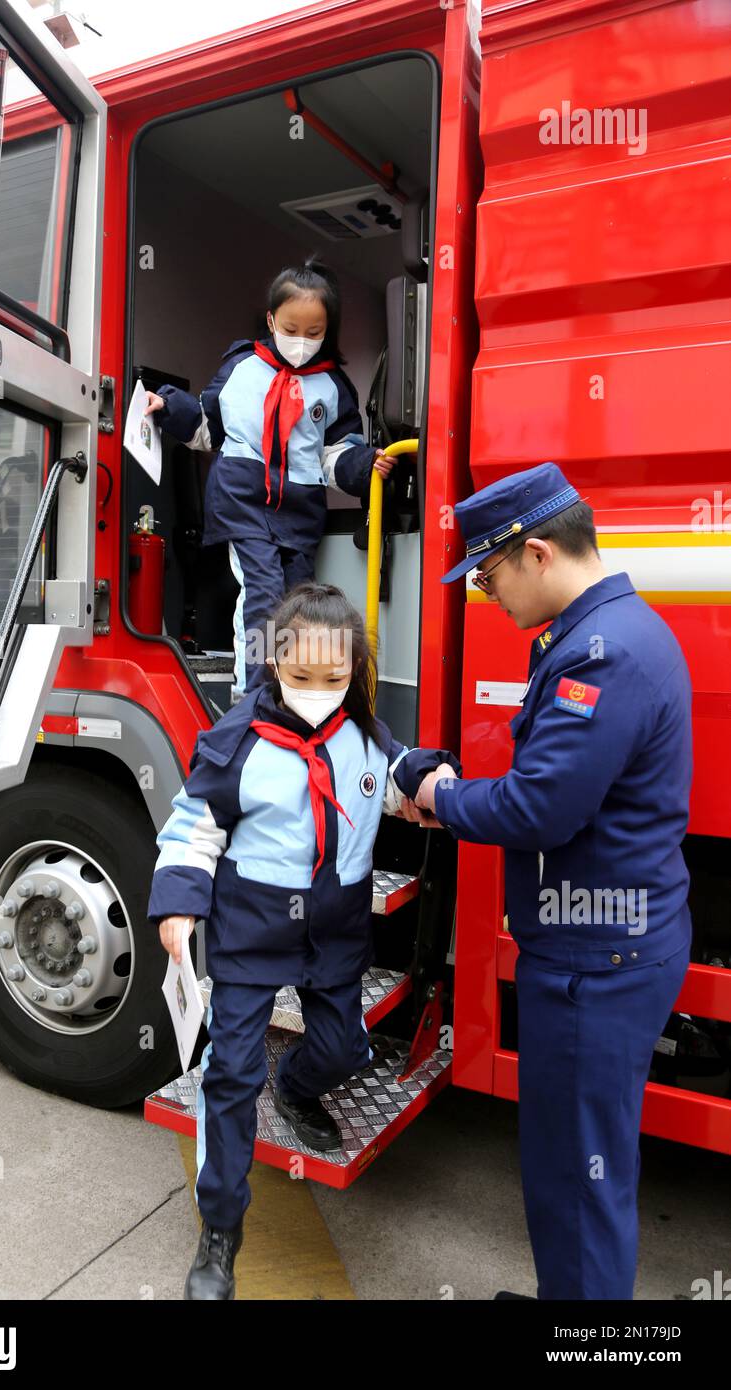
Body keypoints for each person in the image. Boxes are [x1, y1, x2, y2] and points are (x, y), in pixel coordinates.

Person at [408, 461, 693, 1301]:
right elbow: (558, 779)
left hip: (593, 963)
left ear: (537, 553)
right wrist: (462, 789)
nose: (484, 593)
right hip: (607, 947)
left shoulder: (601, 656)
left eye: (489, 576)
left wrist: (438, 794)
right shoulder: (602, 632)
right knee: (577, 1170)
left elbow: (540, 812)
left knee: (579, 1183)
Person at [147, 582, 460, 1299]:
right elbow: (191, 831)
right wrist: (179, 906)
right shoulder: (234, 746)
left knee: (346, 1048)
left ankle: (295, 1088)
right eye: (301, 677)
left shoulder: (364, 738)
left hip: (335, 933)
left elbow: (395, 778)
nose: (317, 691)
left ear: (353, 673)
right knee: (230, 1077)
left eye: (334, 679)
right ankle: (219, 1231)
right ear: (272, 667)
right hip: (253, 932)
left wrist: (427, 785)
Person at [142, 255, 397, 700]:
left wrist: (364, 465)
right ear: (271, 320)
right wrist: (171, 408)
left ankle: (291, 690)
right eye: (291, 330)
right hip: (244, 502)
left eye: (314, 333)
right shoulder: (242, 367)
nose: (301, 341)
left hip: (298, 512)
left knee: (298, 606)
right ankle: (252, 695)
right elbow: (208, 428)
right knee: (262, 597)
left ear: (327, 331)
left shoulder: (334, 387)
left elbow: (334, 456)